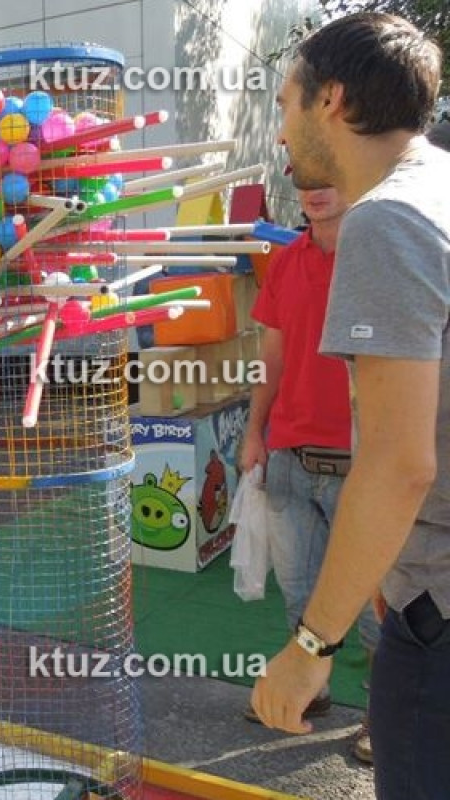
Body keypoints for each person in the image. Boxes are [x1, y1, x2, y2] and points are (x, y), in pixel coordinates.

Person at [250, 14, 449, 799]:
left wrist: (311, 646)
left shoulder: (388, 219)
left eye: (284, 103)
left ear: (329, 100)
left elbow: (400, 463)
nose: (280, 131)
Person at [240, 186, 380, 761]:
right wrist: (254, 431)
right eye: (303, 177)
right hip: (290, 459)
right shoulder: (286, 262)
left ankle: (385, 714)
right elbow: (271, 358)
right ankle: (309, 687)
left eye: (327, 176)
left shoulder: (381, 258)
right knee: (299, 592)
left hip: (364, 468)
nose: (315, 190)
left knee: (374, 611)